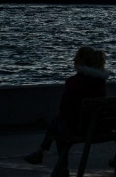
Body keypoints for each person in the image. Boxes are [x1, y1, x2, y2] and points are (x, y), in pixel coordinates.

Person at [24, 46, 109, 176]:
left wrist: (59, 117)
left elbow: (64, 109)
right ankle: (40, 152)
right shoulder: (100, 83)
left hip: (78, 129)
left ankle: (57, 164)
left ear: (80, 61)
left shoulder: (73, 82)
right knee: (58, 122)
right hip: (95, 127)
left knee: (58, 124)